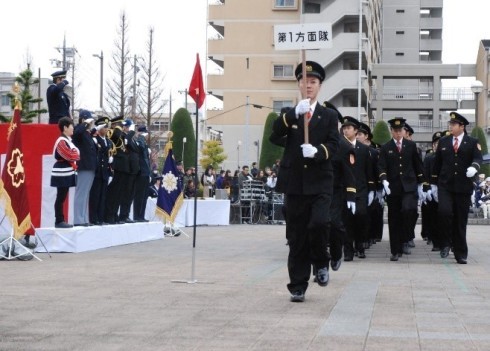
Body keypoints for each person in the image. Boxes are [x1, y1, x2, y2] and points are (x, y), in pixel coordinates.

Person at [269, 60, 339, 302]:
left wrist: (318, 151)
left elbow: (334, 144)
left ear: (320, 85)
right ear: (298, 84)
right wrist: (291, 115)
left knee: (319, 224)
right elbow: (274, 135)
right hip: (295, 182)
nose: (308, 85)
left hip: (320, 181)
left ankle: (321, 262)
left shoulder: (329, 115)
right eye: (304, 81)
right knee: (297, 235)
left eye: (313, 81)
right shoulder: (291, 113)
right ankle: (298, 284)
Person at [431, 112, 483, 264]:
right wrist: (433, 184)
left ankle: (460, 252)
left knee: (460, 219)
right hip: (445, 185)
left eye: (453, 124)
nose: (450, 127)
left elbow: (478, 158)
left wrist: (475, 167)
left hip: (463, 186)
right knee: (444, 212)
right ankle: (446, 243)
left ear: (462, 126)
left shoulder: (472, 142)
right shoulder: (444, 141)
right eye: (450, 124)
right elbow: (437, 164)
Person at [378, 117, 425, 261]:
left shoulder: (411, 146)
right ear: (391, 131)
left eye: (400, 130)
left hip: (409, 187)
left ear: (404, 131)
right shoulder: (386, 148)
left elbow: (418, 165)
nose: (398, 133)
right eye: (395, 131)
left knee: (408, 210)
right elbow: (381, 166)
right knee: (394, 218)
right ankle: (395, 250)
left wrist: (422, 183)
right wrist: (384, 180)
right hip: (393, 188)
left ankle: (406, 238)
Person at [341, 116, 375, 261]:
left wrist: (372, 189)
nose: (346, 130)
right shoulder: (339, 146)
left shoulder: (364, 149)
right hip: (344, 190)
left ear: (356, 131)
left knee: (361, 216)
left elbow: (369, 170)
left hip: (361, 189)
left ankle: (360, 245)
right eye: (344, 128)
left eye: (349, 128)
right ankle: (348, 250)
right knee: (347, 220)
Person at [50, 117, 80, 228]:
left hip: (66, 170)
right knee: (60, 197)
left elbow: (75, 154)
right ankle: (59, 220)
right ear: (65, 127)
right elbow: (70, 155)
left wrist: (75, 153)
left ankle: (60, 219)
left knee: (62, 197)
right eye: (71, 126)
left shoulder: (67, 140)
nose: (73, 128)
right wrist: (75, 153)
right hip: (62, 171)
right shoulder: (61, 141)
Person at [72, 110, 97, 226]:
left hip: (90, 167)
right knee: (81, 193)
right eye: (89, 120)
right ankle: (78, 219)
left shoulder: (87, 133)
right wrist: (84, 123)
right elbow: (76, 133)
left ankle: (83, 218)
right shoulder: (79, 131)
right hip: (84, 166)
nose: (91, 123)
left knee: (86, 194)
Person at [89, 116, 113, 225]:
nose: (106, 129)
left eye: (107, 128)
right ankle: (94, 218)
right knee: (95, 196)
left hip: (105, 172)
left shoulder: (108, 141)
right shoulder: (95, 139)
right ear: (99, 129)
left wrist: (109, 172)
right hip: (98, 172)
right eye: (104, 127)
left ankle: (101, 218)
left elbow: (108, 156)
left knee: (103, 196)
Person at [132, 125, 151, 222]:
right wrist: (141, 137)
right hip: (141, 172)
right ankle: (137, 216)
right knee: (139, 196)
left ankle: (141, 215)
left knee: (144, 196)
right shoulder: (139, 141)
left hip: (146, 172)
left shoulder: (144, 142)